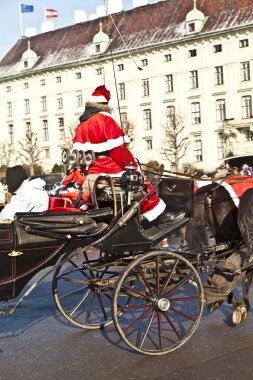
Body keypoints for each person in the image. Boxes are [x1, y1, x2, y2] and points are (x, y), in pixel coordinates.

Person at [72, 85, 184, 226]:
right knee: (143, 183)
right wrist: (134, 167)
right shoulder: (105, 120)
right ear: (104, 104)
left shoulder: (82, 125)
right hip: (110, 171)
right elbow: (119, 152)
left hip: (93, 175)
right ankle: (158, 215)